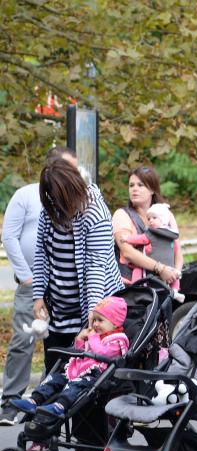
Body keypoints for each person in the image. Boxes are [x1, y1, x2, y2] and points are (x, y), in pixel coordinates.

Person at [0, 147, 77, 425]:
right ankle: (10, 400)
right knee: (23, 341)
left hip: (62, 287)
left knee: (58, 347)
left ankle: (46, 401)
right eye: (70, 168)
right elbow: (9, 236)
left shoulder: (74, 198)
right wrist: (27, 276)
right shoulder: (27, 195)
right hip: (31, 282)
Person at [33, 158, 125, 373]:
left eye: (60, 199)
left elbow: (96, 266)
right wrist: (38, 296)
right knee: (54, 369)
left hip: (92, 307)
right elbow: (41, 253)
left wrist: (93, 316)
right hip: (59, 310)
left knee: (82, 373)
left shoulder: (94, 212)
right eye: (51, 198)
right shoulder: (51, 208)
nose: (57, 205)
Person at [12, 296, 129, 418]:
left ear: (115, 323)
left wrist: (92, 337)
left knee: (75, 385)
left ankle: (59, 406)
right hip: (80, 371)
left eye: (100, 320)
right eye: (94, 320)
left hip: (97, 377)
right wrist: (79, 340)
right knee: (54, 378)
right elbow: (82, 351)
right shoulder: (98, 335)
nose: (95, 324)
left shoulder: (118, 339)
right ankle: (34, 400)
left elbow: (101, 353)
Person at [112, 166, 182, 287]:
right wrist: (160, 269)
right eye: (131, 185)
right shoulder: (122, 215)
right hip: (132, 286)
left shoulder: (167, 215)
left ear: (152, 190)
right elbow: (128, 252)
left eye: (140, 185)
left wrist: (175, 273)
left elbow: (177, 251)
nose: (134, 189)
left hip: (164, 284)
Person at [123, 202, 184, 300]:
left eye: (154, 218)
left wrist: (127, 239)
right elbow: (175, 248)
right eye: (149, 219)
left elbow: (140, 239)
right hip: (168, 266)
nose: (151, 221)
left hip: (153, 266)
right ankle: (175, 291)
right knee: (175, 275)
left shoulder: (151, 234)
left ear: (163, 220)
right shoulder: (171, 235)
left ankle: (137, 288)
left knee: (138, 270)